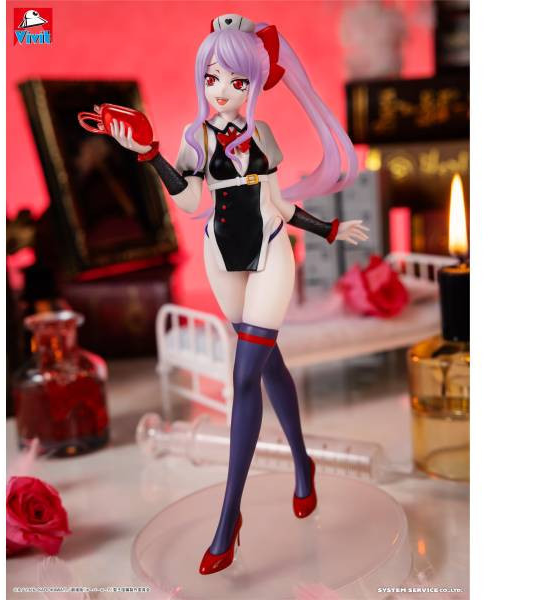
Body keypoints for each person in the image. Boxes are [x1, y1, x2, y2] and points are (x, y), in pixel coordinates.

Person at [106, 13, 369, 575]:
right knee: (270, 365)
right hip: (220, 255)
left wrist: (328, 229)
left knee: (245, 375)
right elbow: (189, 201)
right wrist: (150, 154)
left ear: (254, 85)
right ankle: (303, 464)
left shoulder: (263, 135)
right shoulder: (195, 138)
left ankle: (228, 519)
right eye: (212, 78)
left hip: (271, 251)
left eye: (237, 81)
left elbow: (278, 205)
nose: (222, 91)